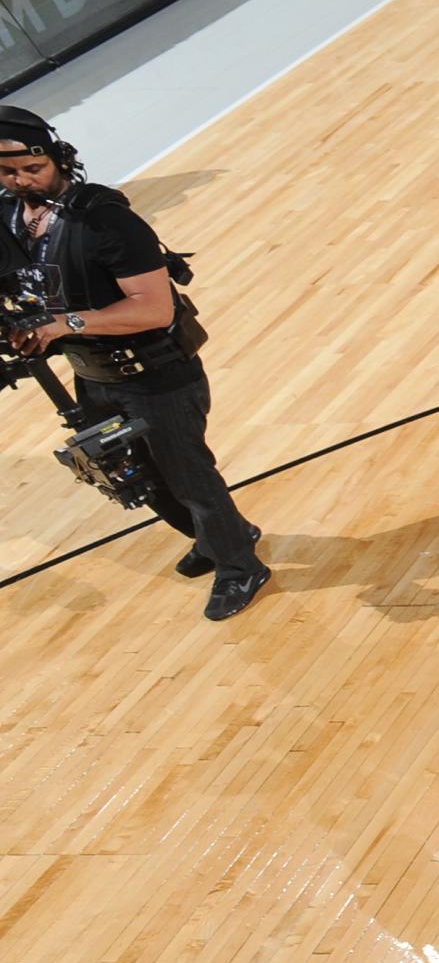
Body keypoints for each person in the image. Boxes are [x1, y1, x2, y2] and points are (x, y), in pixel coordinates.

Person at [0, 106, 268, 619]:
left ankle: (241, 565)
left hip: (157, 376)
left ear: (57, 157)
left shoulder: (107, 220)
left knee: (189, 478)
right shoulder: (10, 215)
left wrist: (63, 325)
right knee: (133, 477)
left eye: (30, 169)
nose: (20, 180)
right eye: (7, 172)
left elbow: (152, 308)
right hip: (91, 374)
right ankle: (217, 537)